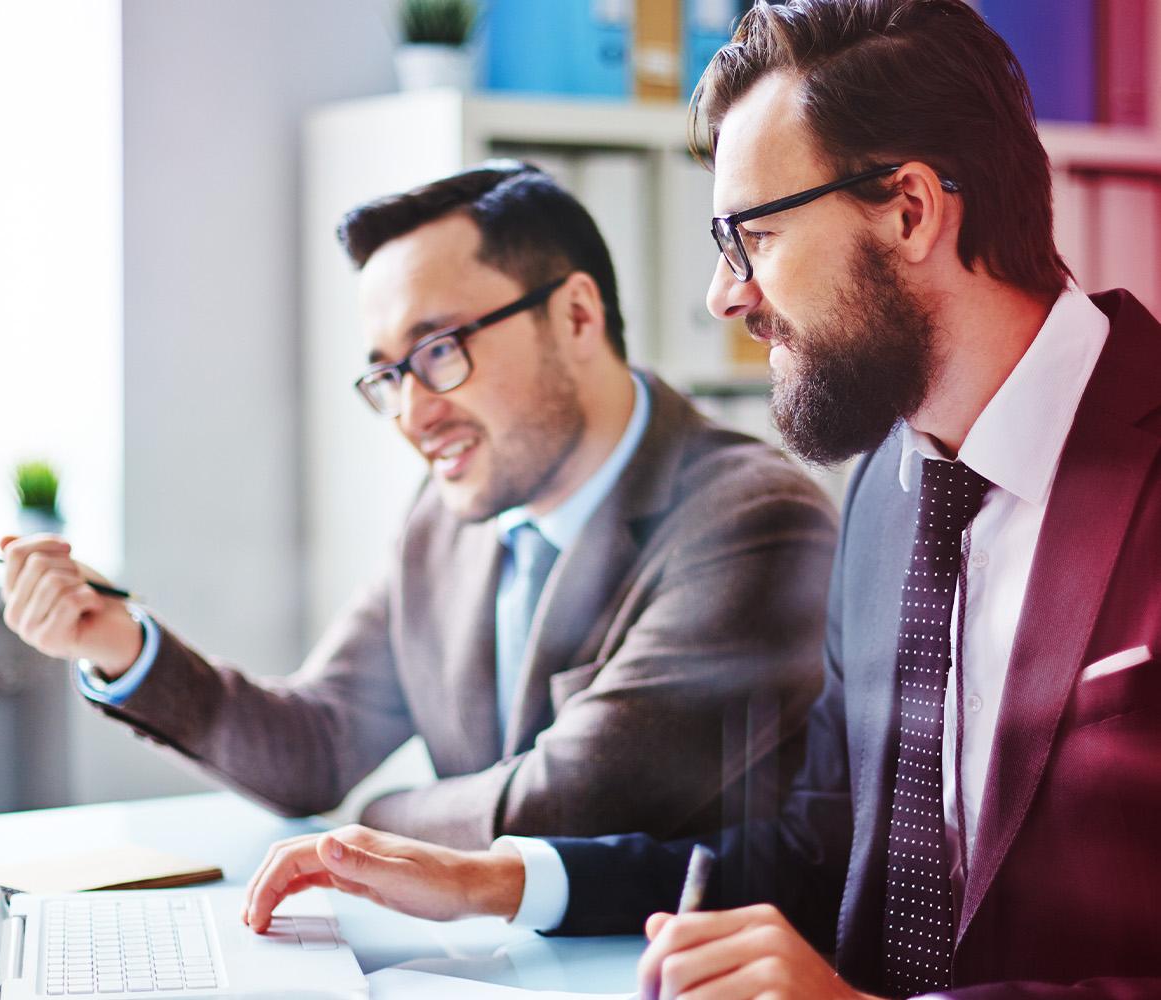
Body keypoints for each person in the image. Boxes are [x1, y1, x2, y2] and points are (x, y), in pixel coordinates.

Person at [238, 1, 1161, 997]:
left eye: (750, 237)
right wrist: (505, 880)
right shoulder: (890, 494)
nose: (726, 295)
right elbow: (817, 856)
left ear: (909, 211)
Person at [1, 162, 837, 850]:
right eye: (388, 375)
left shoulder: (754, 520)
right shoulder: (447, 516)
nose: (412, 413)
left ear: (578, 316)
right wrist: (120, 644)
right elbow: (319, 742)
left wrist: (364, 826)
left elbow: (566, 806)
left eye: (439, 351)